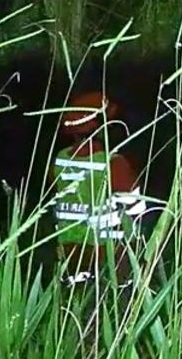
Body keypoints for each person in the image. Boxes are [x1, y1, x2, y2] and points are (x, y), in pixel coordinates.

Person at [50, 91, 147, 287]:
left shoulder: (60, 159)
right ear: (103, 127)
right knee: (146, 218)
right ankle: (125, 284)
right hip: (107, 251)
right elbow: (136, 208)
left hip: (69, 249)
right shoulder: (113, 162)